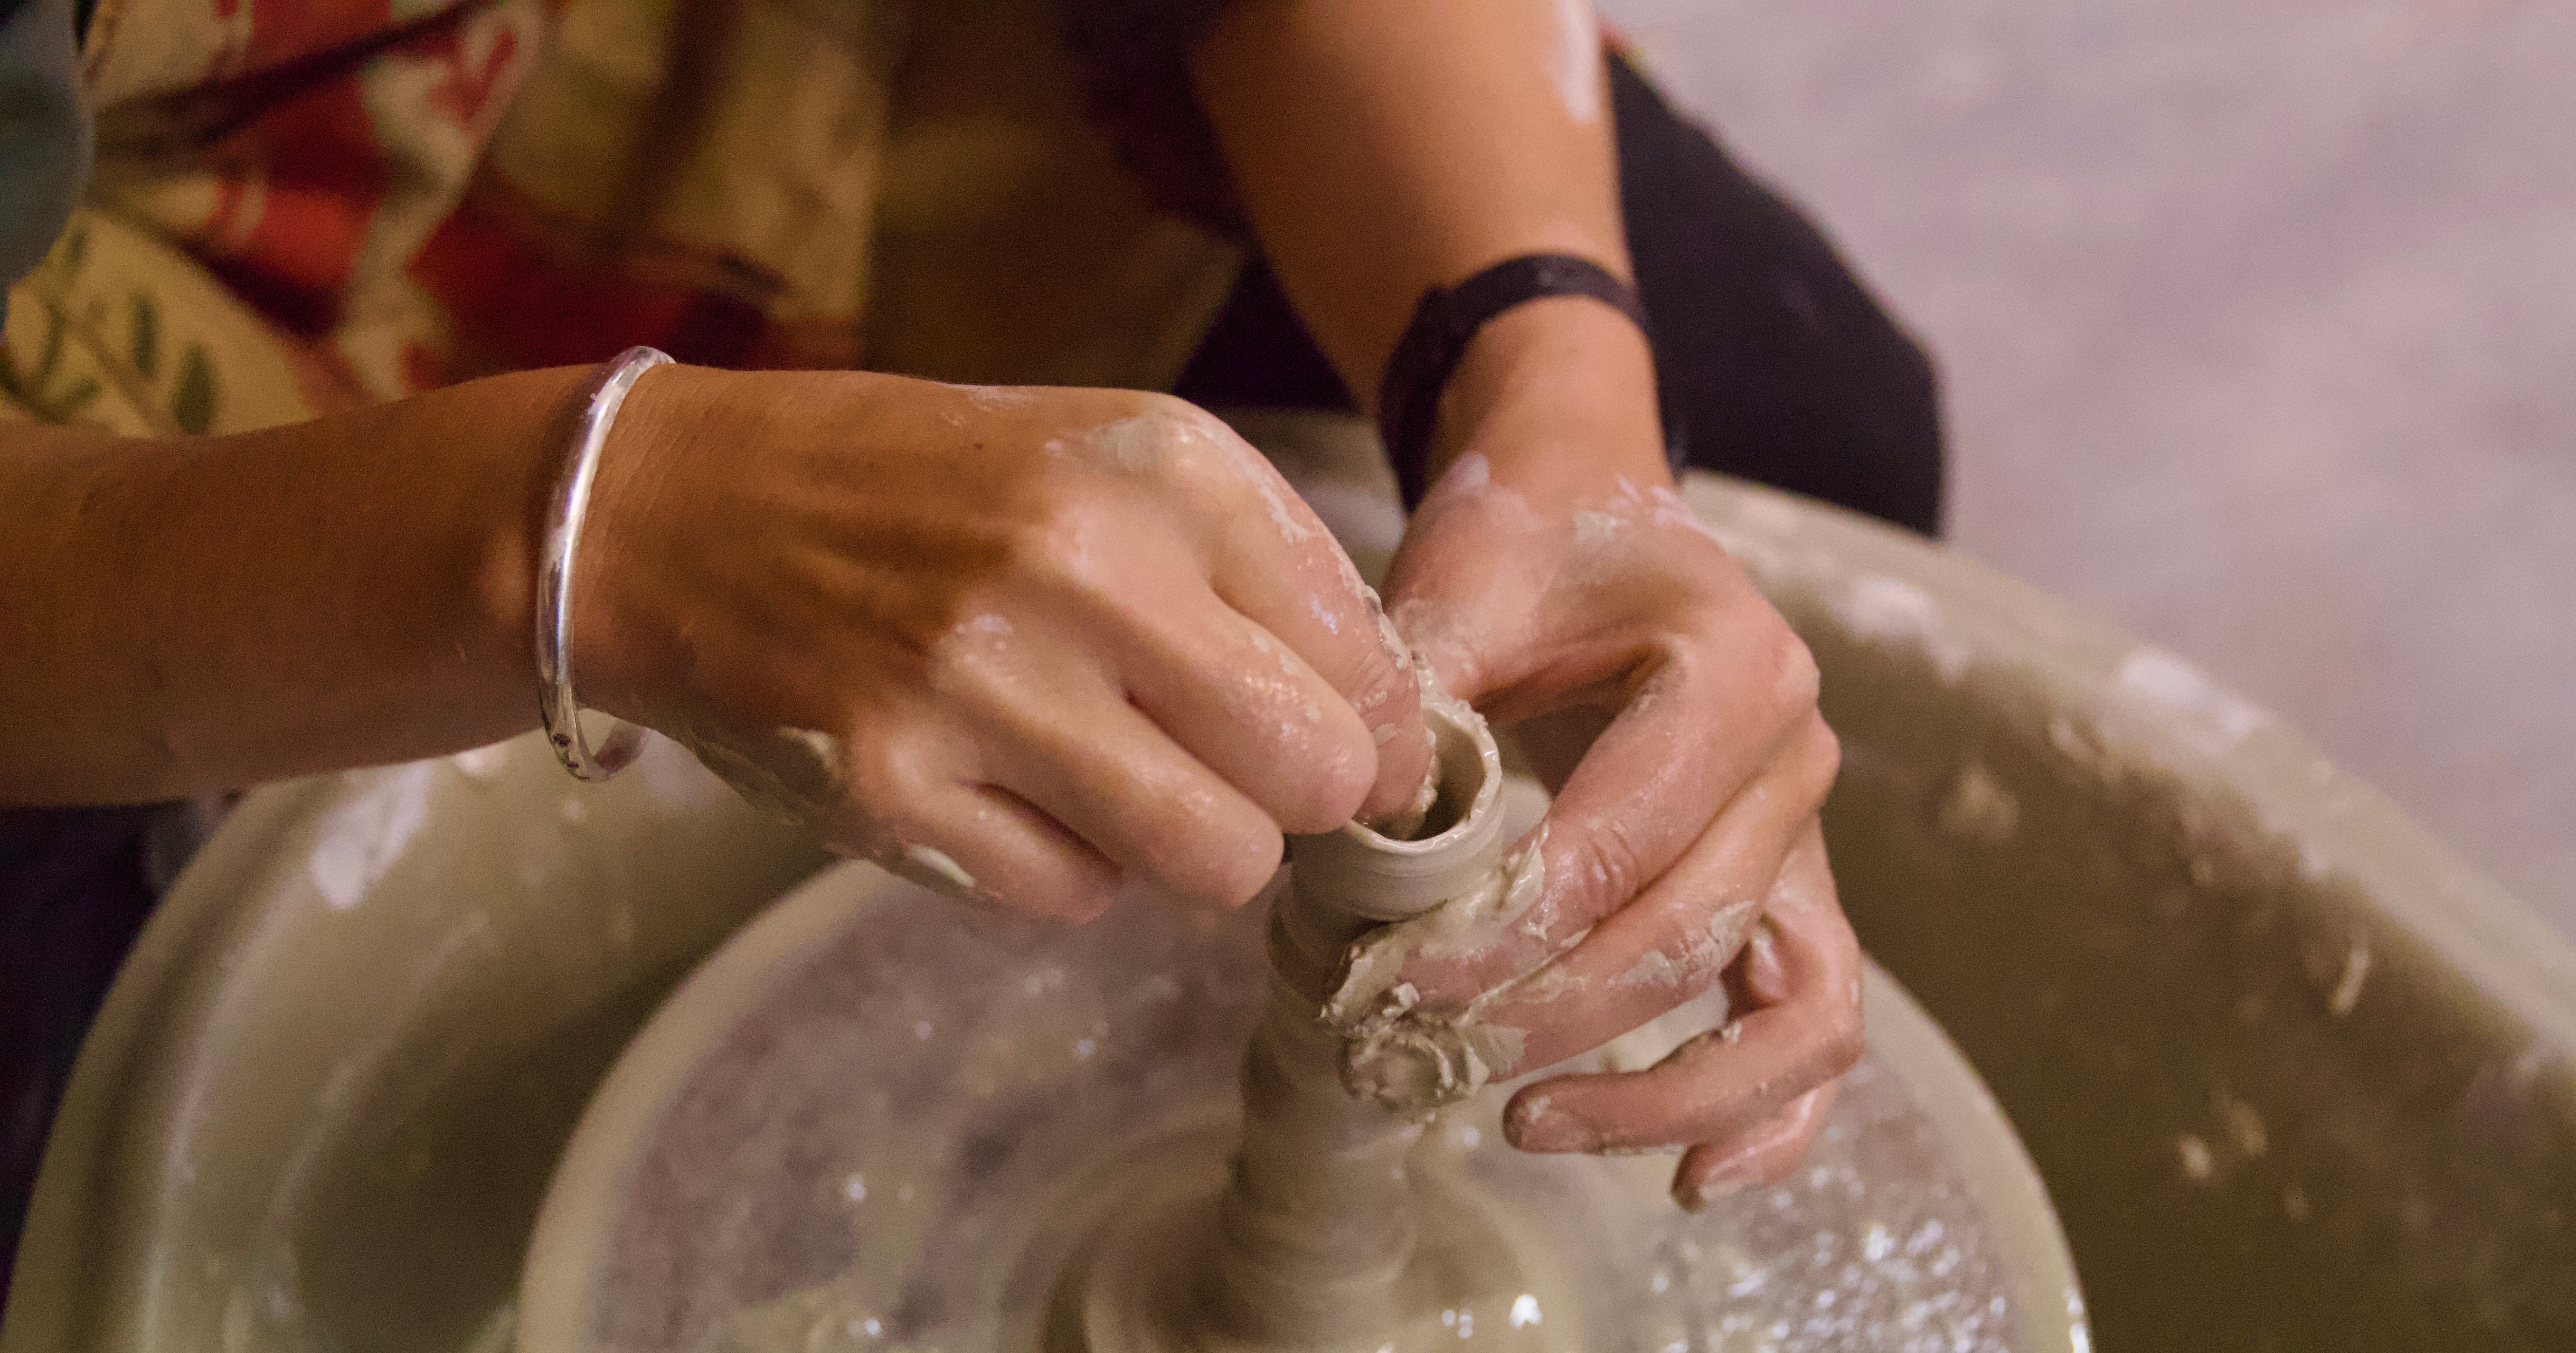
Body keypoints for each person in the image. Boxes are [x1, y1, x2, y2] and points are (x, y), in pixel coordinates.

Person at [0, 0, 1943, 1266]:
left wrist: (1552, 410)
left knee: (1792, 425)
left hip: (855, 53)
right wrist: (602, 528)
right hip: (133, 317)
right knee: (102, 1193)